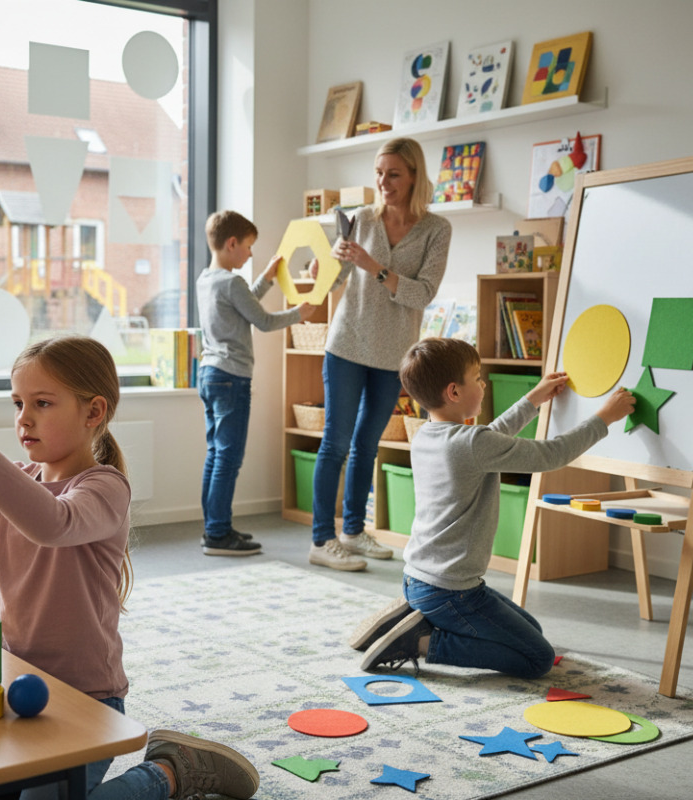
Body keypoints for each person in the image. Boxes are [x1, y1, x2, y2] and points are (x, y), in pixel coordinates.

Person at [0, 336, 258, 800]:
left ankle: (171, 770)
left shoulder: (105, 487)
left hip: (87, 700)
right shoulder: (15, 481)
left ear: (93, 412)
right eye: (18, 402)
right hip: (12, 685)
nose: (24, 417)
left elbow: (52, 523)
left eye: (42, 403)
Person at [357, 337, 635, 677]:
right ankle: (420, 642)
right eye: (477, 378)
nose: (484, 384)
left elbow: (490, 437)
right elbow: (551, 454)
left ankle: (414, 618)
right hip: (451, 592)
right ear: (454, 392)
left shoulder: (428, 435)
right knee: (537, 658)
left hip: (424, 579)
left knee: (531, 629)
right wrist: (605, 417)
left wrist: (532, 400)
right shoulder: (472, 444)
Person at [308, 136, 452, 571]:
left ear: (413, 176)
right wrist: (325, 267)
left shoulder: (436, 230)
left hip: (395, 353)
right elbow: (334, 284)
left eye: (393, 174)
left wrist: (376, 268)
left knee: (367, 445)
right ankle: (321, 539)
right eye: (378, 173)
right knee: (335, 443)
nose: (383, 182)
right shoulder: (360, 219)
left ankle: (352, 532)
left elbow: (422, 294)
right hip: (348, 343)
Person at [198, 210, 315, 556]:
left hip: (210, 373)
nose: (250, 254)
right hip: (232, 378)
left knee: (216, 455)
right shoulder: (232, 283)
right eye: (248, 247)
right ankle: (218, 534)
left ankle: (214, 526)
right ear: (232, 243)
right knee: (228, 459)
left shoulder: (208, 279)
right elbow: (262, 320)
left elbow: (243, 306)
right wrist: (300, 314)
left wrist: (266, 279)